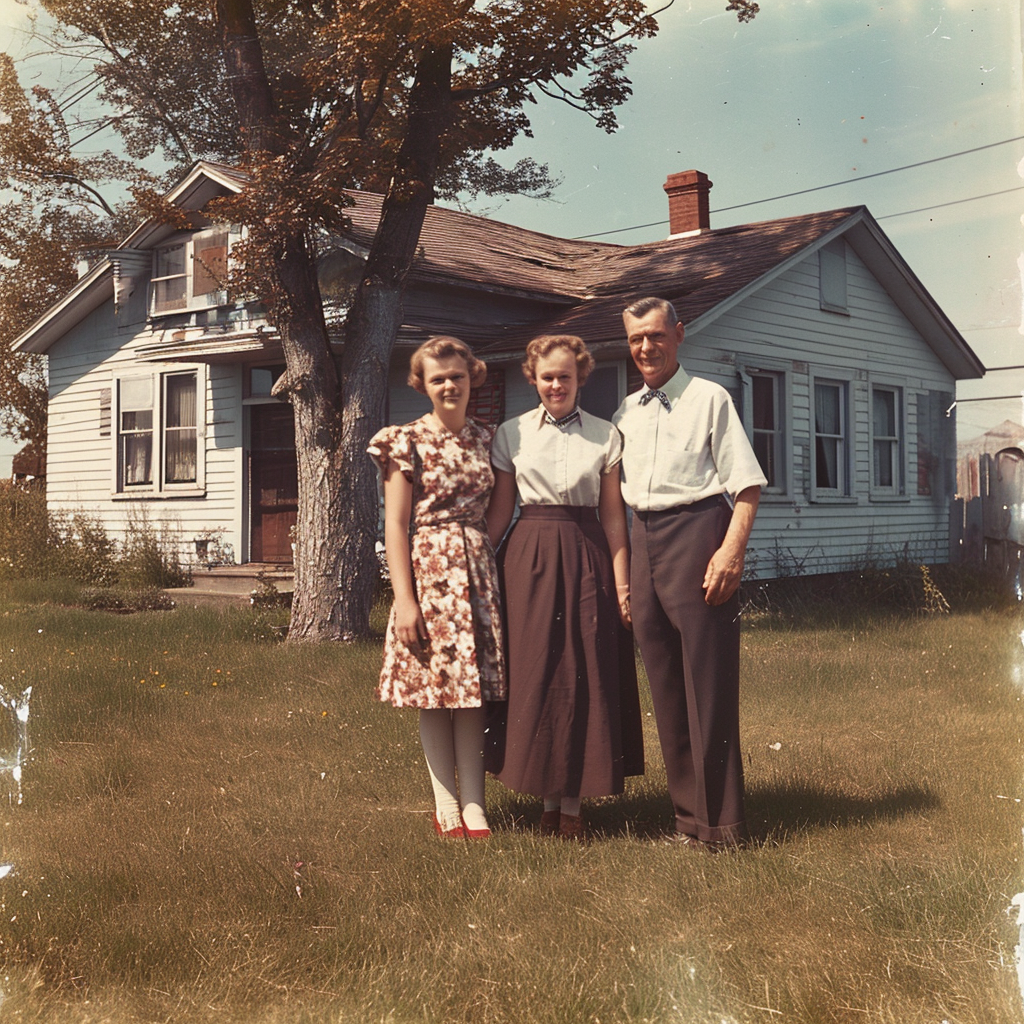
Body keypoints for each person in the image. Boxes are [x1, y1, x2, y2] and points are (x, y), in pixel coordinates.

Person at [612, 298, 766, 849]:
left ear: (679, 335)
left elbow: (746, 484)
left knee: (708, 685)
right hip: (642, 537)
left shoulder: (709, 398)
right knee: (666, 686)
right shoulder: (624, 413)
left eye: (656, 335)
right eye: (636, 340)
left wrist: (731, 553)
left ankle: (722, 829)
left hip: (699, 533)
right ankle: (686, 823)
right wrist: (626, 576)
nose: (646, 348)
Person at [485, 334, 644, 839]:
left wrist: (623, 583)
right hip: (527, 558)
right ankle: (544, 798)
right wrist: (474, 565)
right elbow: (500, 511)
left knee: (584, 673)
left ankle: (571, 806)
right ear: (533, 378)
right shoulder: (511, 434)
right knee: (537, 673)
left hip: (587, 555)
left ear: (581, 378)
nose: (557, 385)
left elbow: (615, 517)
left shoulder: (607, 436)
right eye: (547, 376)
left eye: (566, 377)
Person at [368, 336, 506, 839]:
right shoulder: (405, 441)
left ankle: (475, 805)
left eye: (457, 376)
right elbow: (396, 525)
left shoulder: (486, 438)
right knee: (433, 691)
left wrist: (475, 552)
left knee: (471, 692)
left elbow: (498, 509)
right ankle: (445, 804)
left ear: (473, 377)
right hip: (426, 574)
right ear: (422, 385)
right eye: (438, 378)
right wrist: (405, 601)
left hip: (474, 573)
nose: (449, 385)